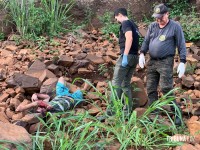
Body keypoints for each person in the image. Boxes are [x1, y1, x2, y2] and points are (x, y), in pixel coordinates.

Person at [138, 4, 186, 126]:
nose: (158, 19)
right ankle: (154, 113)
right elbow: (147, 40)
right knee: (150, 88)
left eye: (161, 17)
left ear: (167, 14)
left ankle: (177, 114)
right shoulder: (152, 26)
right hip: (152, 61)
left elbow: (181, 44)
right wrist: (142, 53)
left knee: (166, 88)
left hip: (165, 61)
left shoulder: (175, 27)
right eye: (157, 17)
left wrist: (183, 61)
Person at [107, 8, 139, 116]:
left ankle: (111, 112)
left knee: (116, 83)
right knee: (125, 84)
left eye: (116, 18)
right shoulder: (133, 24)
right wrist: (117, 38)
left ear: (119, 15)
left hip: (127, 56)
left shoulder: (125, 23)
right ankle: (127, 112)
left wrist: (124, 56)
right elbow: (129, 40)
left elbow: (129, 39)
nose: (117, 21)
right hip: (134, 57)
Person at [16, 77, 89, 113]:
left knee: (61, 78)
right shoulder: (51, 108)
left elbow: (47, 97)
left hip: (61, 95)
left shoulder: (47, 104)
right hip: (73, 99)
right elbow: (39, 103)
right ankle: (86, 86)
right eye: (40, 110)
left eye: (39, 108)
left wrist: (36, 94)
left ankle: (69, 84)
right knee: (81, 91)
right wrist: (24, 107)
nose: (40, 109)